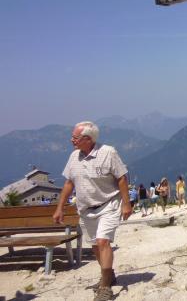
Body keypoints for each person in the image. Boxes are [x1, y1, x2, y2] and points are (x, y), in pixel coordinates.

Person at [52, 121, 130, 301]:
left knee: (103, 242)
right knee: (95, 246)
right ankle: (108, 276)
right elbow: (69, 183)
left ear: (88, 139)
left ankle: (105, 287)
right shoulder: (73, 157)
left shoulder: (108, 152)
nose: (71, 140)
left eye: (75, 137)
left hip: (109, 204)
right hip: (86, 209)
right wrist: (59, 208)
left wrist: (126, 204)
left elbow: (121, 178)